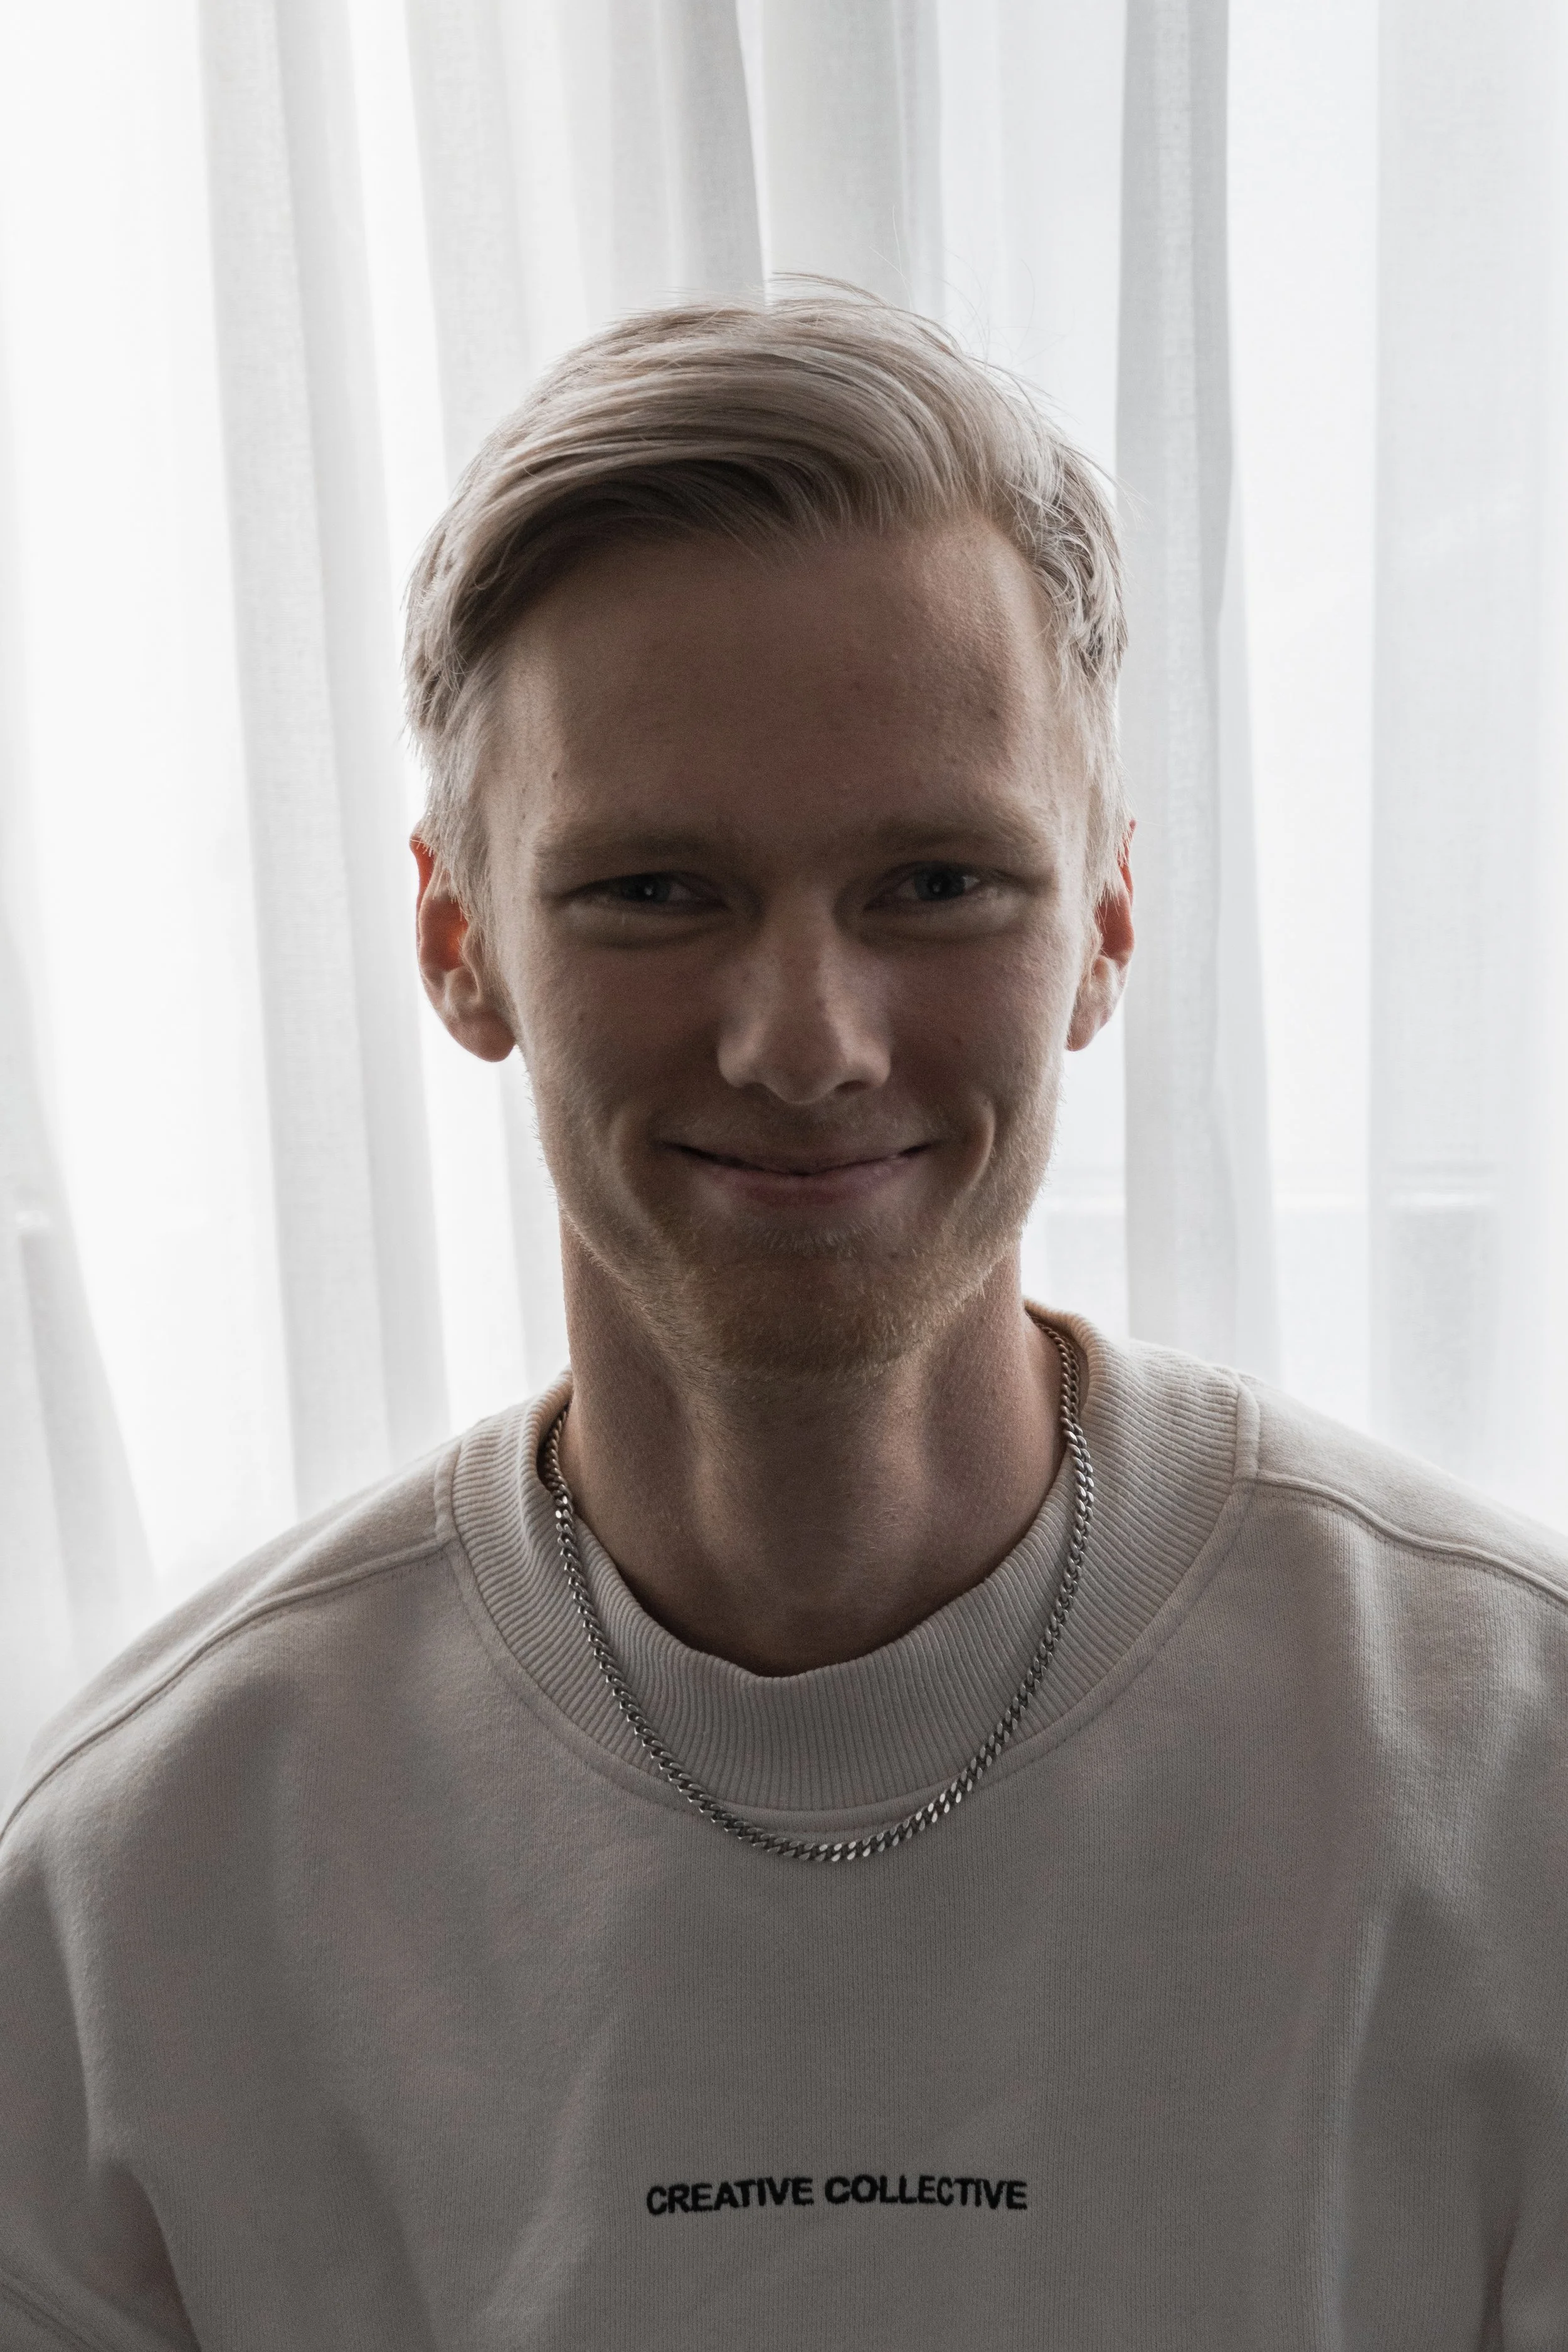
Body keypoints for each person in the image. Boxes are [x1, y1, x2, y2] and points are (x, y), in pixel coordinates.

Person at [1, 293, 1565, 2352]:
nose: (806, 1042)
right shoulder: (141, 1888)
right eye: (654, 891)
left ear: (1104, 917)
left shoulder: (1511, 1778)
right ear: (456, 939)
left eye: (936, 883)